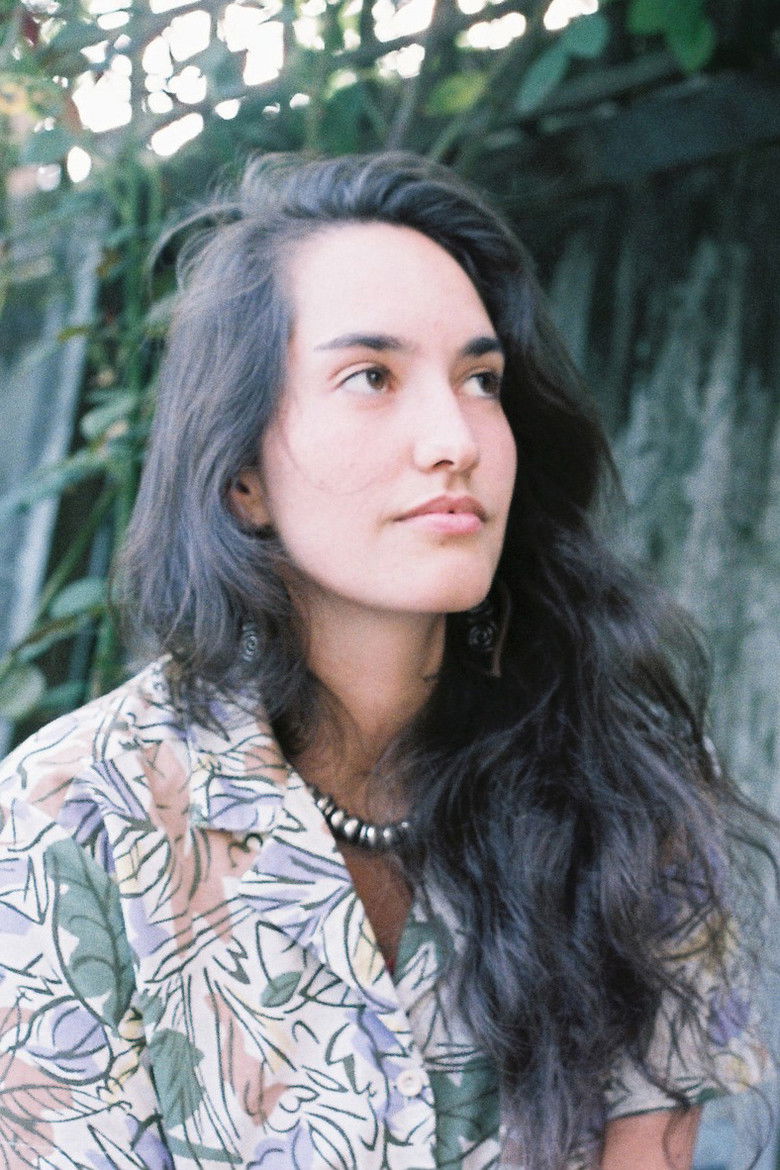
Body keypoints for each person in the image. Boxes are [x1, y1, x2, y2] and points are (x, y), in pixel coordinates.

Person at [0, 153, 771, 1170]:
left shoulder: (624, 792)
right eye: (371, 376)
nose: (455, 438)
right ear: (242, 476)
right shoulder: (73, 822)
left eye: (481, 380)